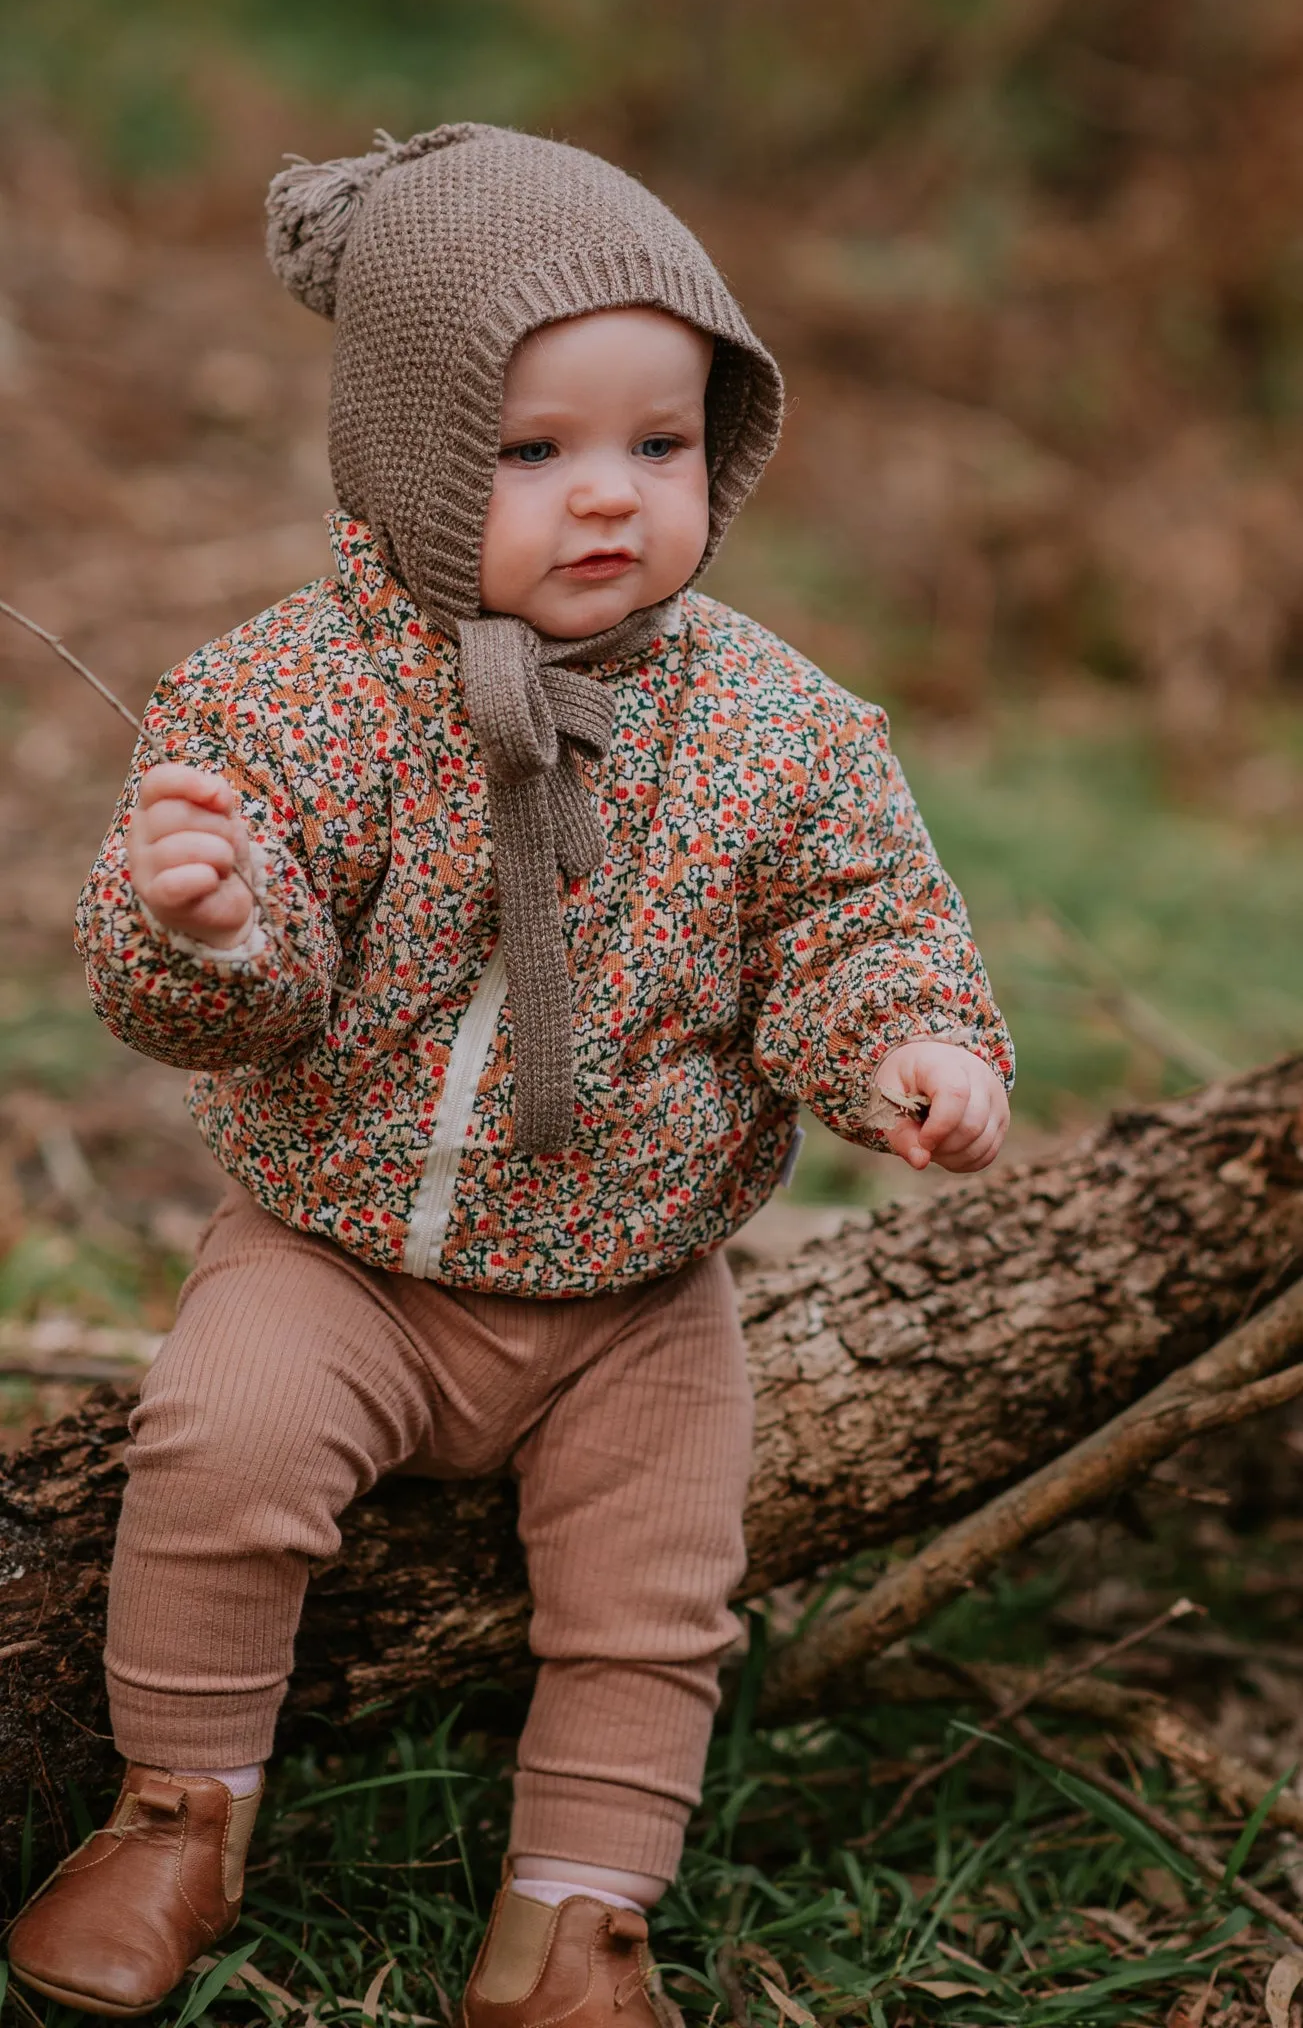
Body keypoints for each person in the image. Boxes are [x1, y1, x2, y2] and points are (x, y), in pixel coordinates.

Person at [7, 124, 1013, 2026]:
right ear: (404, 448)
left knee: (654, 1591)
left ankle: (575, 1917)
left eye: (658, 443)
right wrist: (210, 924)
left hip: (640, 1290)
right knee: (216, 1449)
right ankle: (176, 1806)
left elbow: (849, 919)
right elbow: (238, 990)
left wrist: (905, 1049)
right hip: (341, 1250)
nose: (610, 498)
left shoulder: (772, 724)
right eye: (532, 450)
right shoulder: (292, 695)